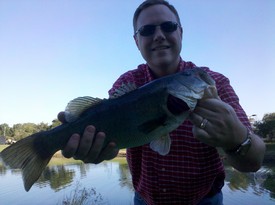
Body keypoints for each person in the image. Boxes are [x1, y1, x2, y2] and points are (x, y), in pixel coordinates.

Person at [58, 0, 266, 204]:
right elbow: (110, 134)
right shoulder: (127, 82)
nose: (158, 36)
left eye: (168, 26)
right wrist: (91, 148)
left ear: (180, 33)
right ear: (136, 41)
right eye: (147, 30)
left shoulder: (212, 82)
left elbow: (254, 161)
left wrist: (237, 139)